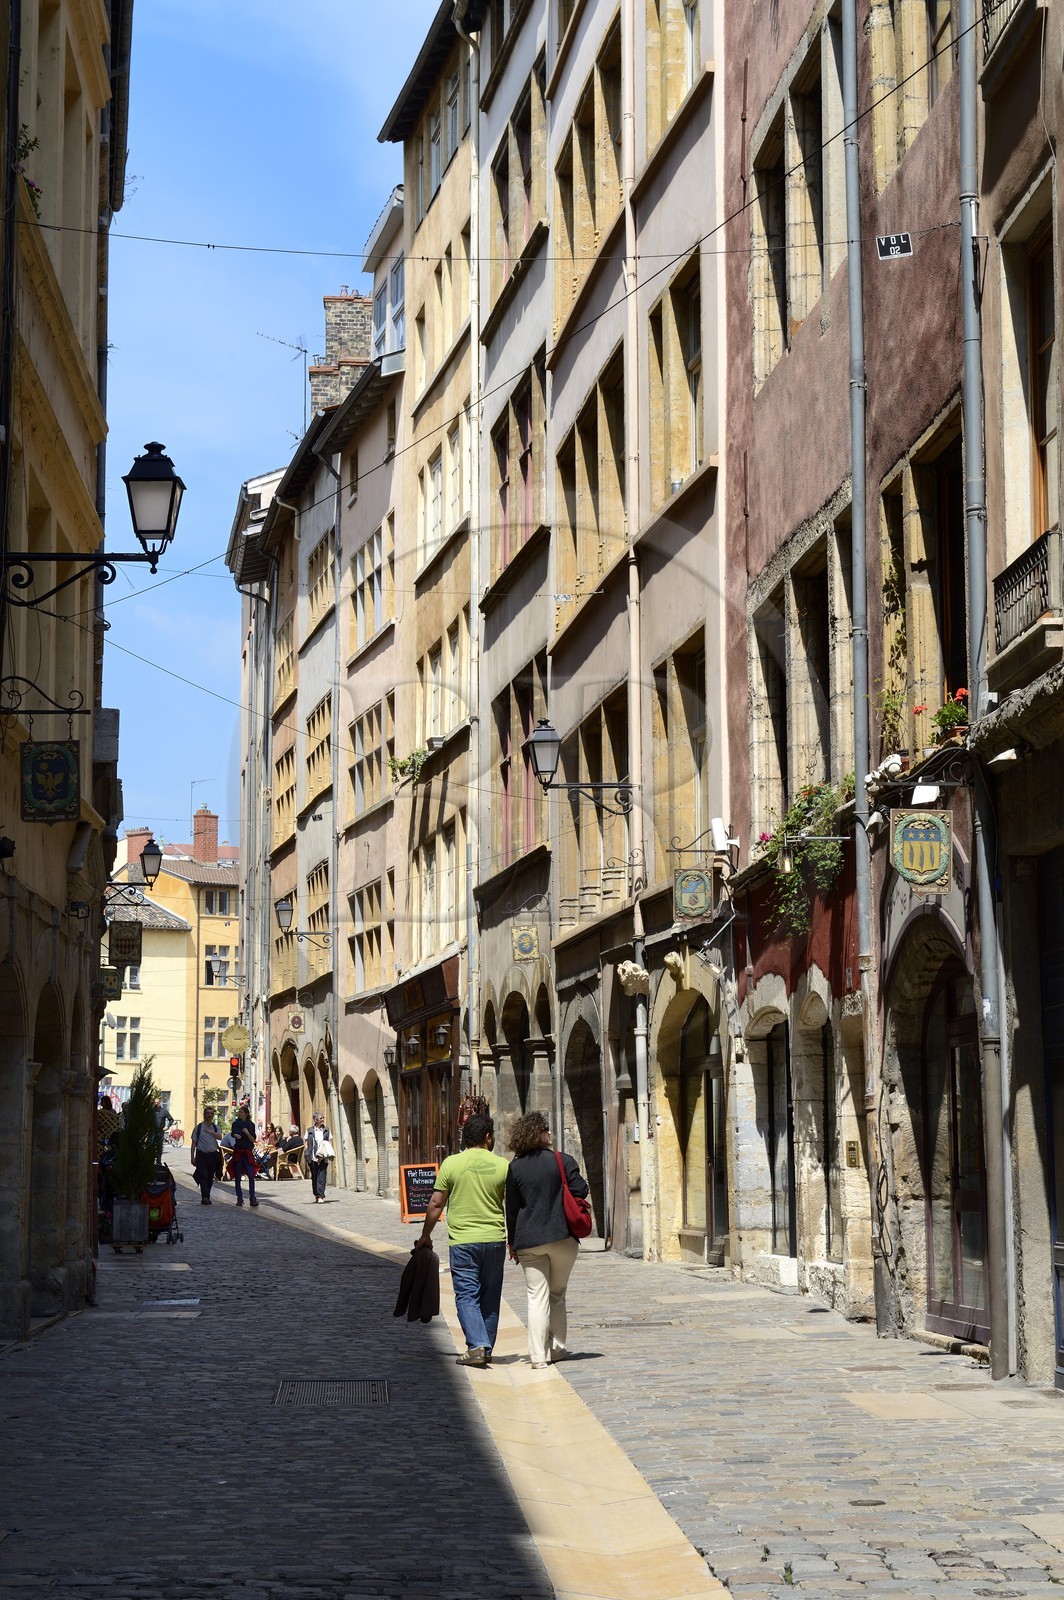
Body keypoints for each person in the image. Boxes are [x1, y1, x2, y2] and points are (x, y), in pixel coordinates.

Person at [415, 1112, 509, 1368]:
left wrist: (425, 1236)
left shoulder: (451, 1164)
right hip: (495, 1239)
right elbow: (508, 1204)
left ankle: (477, 1345)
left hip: (463, 1241)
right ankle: (485, 1347)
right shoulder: (502, 1165)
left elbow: (436, 1203)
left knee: (467, 1295)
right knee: (490, 1296)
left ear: (466, 1137)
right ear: (488, 1137)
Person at [505, 1111, 590, 1369]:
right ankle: (557, 1348)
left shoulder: (515, 1167)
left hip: (530, 1240)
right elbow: (582, 1189)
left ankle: (537, 1357)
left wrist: (513, 1243)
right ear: (540, 1133)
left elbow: (512, 1209)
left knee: (536, 1296)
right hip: (563, 1237)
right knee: (557, 1293)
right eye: (547, 1129)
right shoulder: (562, 1160)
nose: (550, 1133)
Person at [190, 1105, 222, 1205]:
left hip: (212, 1156)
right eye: (208, 1113)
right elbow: (193, 1143)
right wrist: (192, 1157)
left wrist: (211, 1132)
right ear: (204, 1114)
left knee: (210, 1177)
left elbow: (220, 1137)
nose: (209, 1115)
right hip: (201, 1155)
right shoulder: (198, 1128)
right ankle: (205, 1197)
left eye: (211, 1113)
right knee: (203, 1176)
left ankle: (207, 1196)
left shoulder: (215, 1128)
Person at [230, 1106, 259, 1207]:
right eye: (239, 1112)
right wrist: (235, 1135)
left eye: (242, 1112)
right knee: (238, 1176)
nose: (240, 1114)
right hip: (239, 1151)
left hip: (247, 1152)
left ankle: (252, 1198)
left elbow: (253, 1139)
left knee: (251, 1175)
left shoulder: (251, 1125)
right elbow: (233, 1133)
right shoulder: (236, 1124)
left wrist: (247, 1133)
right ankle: (239, 1198)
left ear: (246, 1114)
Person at [304, 1111, 333, 1203]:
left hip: (323, 1157)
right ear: (316, 1120)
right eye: (321, 1118)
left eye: (323, 1118)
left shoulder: (327, 1130)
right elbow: (305, 1141)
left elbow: (330, 1140)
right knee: (315, 1176)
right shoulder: (310, 1131)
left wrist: (329, 1151)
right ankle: (316, 1194)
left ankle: (320, 1195)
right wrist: (306, 1152)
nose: (323, 1119)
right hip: (313, 1157)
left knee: (322, 1176)